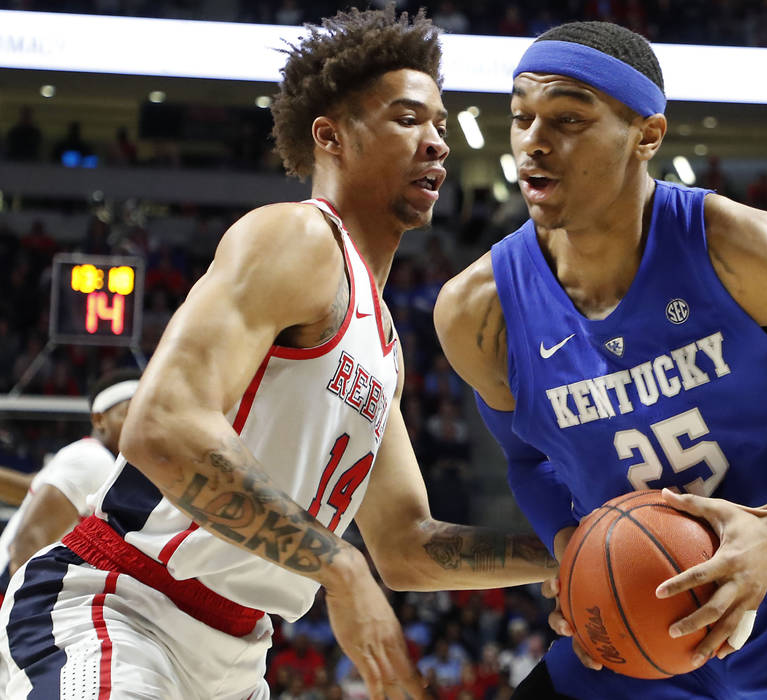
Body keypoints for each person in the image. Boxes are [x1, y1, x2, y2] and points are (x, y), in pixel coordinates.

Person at [0, 9, 557, 700]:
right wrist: (339, 568)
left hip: (235, 655)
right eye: (408, 119)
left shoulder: (382, 342)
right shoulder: (296, 238)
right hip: (121, 606)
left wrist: (560, 555)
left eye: (441, 125)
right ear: (331, 136)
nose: (437, 143)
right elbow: (162, 427)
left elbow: (407, 545)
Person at [435, 21, 767, 699]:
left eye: (569, 119)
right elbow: (526, 458)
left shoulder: (743, 250)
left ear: (647, 136)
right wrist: (568, 543)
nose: (534, 142)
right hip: (638, 627)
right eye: (521, 118)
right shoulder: (479, 313)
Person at [0, 369, 139, 599]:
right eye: (128, 414)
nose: (139, 425)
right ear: (99, 419)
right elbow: (28, 542)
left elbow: (28, 489)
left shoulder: (85, 456)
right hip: (11, 593)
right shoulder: (93, 459)